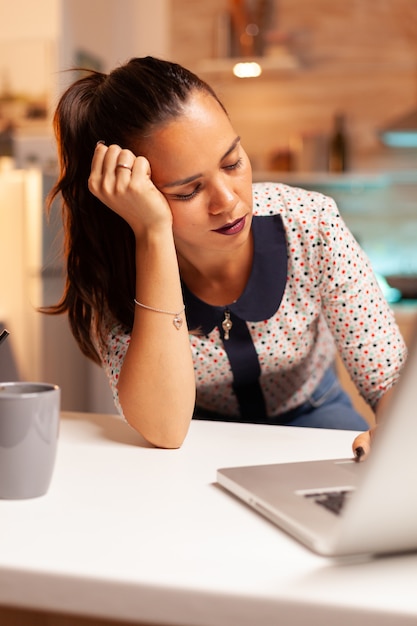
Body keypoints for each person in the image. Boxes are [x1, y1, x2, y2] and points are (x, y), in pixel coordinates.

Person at [45, 56, 407, 455]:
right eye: (188, 191)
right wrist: (152, 235)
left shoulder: (311, 223)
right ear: (134, 195)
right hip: (195, 434)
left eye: (233, 162)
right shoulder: (116, 265)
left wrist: (396, 435)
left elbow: (390, 379)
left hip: (315, 415)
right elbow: (165, 429)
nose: (229, 201)